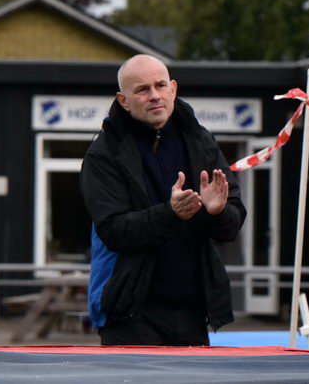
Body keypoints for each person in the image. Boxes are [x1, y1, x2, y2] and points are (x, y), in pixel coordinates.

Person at [80, 54, 247, 346]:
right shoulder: (104, 154)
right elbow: (114, 231)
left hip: (194, 310)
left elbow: (230, 226)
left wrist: (216, 212)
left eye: (160, 86)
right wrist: (170, 213)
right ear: (123, 100)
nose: (154, 96)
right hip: (129, 312)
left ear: (173, 89)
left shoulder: (200, 141)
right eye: (142, 90)